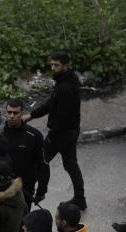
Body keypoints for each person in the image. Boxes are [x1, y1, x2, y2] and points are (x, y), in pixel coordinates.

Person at [24, 52, 85, 209]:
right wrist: (31, 115)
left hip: (62, 134)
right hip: (71, 131)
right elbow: (52, 103)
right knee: (71, 164)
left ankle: (26, 194)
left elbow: (62, 116)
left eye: (56, 65)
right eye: (51, 64)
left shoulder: (65, 87)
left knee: (39, 162)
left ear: (66, 66)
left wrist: (52, 136)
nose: (53, 68)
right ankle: (80, 198)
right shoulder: (67, 81)